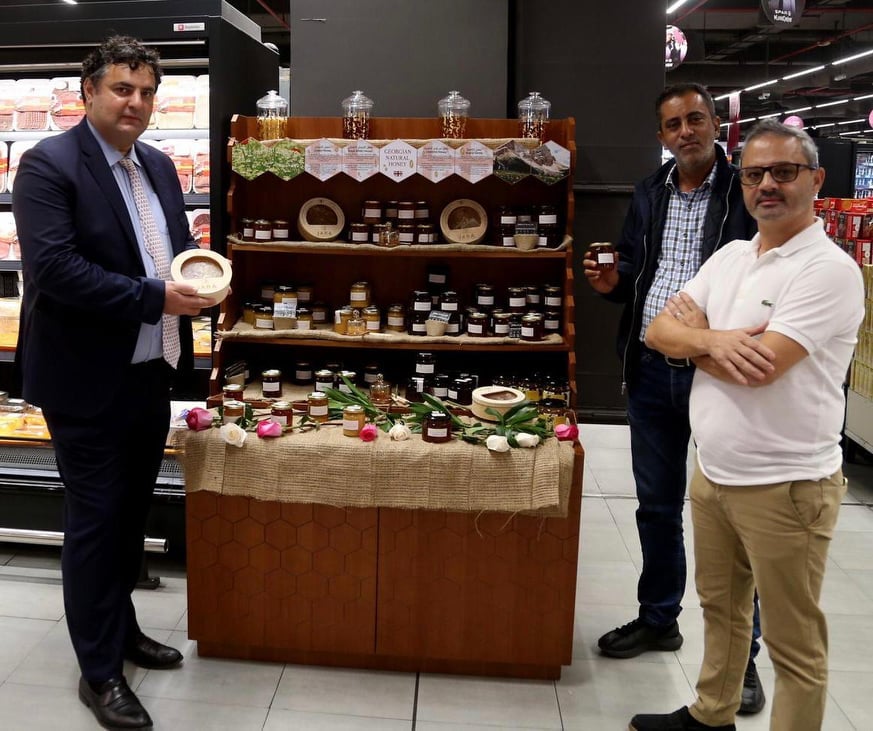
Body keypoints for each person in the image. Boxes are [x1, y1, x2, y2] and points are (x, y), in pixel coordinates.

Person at [631, 119, 863, 731]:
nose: (767, 185)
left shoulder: (828, 270)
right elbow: (657, 330)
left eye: (784, 172)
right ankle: (712, 715)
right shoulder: (732, 256)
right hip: (714, 474)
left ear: (816, 178)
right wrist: (714, 341)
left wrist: (695, 341)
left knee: (793, 643)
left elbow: (761, 368)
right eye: (755, 174)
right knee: (722, 608)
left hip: (786, 486)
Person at [12, 36, 215, 730]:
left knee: (130, 516)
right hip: (85, 378)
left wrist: (197, 276)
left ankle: (122, 631)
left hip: (148, 370)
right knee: (96, 522)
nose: (136, 103)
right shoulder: (48, 164)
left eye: (147, 91)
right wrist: (156, 296)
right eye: (122, 89)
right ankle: (99, 671)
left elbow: (169, 249)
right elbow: (55, 270)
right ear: (89, 92)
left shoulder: (155, 164)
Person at [582, 82, 766, 715]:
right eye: (672, 124)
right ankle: (659, 617)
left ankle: (742, 656)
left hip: (717, 369)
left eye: (695, 119)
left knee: (735, 514)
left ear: (715, 124)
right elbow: (637, 271)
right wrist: (612, 282)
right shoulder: (648, 191)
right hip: (651, 367)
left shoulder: (744, 190)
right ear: (660, 135)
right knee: (656, 506)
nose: (685, 131)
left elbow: (764, 275)